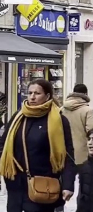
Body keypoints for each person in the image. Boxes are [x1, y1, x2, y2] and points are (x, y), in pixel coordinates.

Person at [0, 79, 77, 212]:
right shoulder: (18, 117)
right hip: (16, 185)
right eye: (29, 93)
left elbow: (67, 154)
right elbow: (2, 145)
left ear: (47, 96)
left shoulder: (58, 120)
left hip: (42, 186)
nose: (32, 97)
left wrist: (68, 184)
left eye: (37, 93)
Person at [61, 83, 93, 167]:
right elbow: (92, 130)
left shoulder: (61, 109)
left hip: (64, 151)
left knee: (67, 178)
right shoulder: (88, 110)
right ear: (85, 94)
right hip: (82, 152)